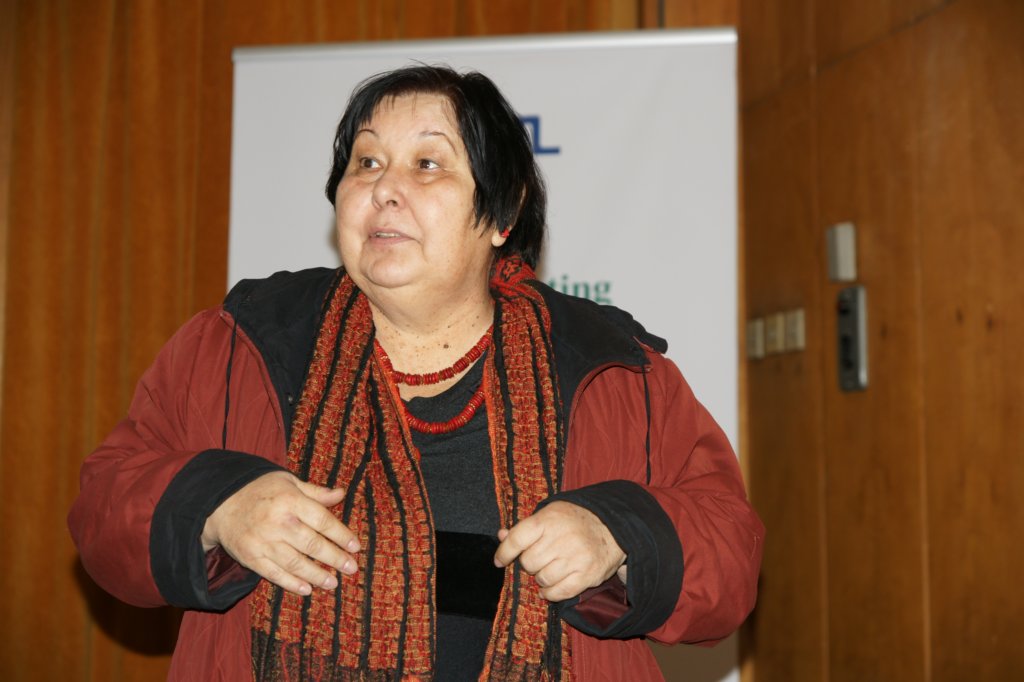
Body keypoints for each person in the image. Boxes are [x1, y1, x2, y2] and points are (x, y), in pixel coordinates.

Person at [68, 65, 763, 681]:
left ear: (501, 211)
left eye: (428, 164)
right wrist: (217, 508)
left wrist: (621, 537)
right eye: (366, 162)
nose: (385, 189)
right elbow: (104, 509)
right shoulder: (236, 345)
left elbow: (730, 557)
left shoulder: (613, 369)